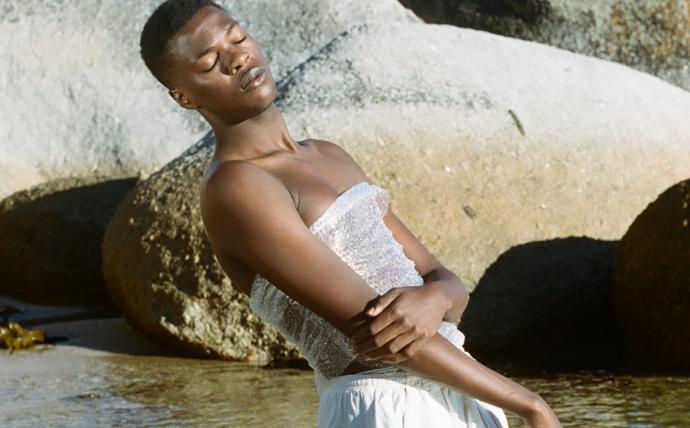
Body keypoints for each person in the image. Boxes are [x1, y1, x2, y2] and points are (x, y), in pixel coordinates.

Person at [139, 1, 562, 427]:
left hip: (461, 387)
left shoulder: (329, 155)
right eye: (211, 61)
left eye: (238, 38)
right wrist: (529, 404)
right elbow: (382, 333)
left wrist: (434, 298)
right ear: (184, 97)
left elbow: (446, 283)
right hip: (383, 405)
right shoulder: (236, 187)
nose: (237, 59)